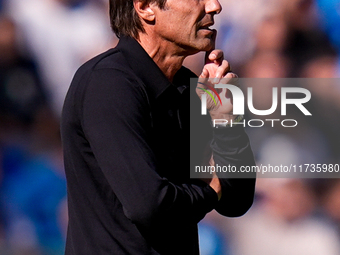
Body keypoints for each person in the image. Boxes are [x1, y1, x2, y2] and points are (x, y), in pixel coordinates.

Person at [61, 0, 256, 254]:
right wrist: (211, 189)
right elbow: (149, 204)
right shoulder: (108, 83)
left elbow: (236, 200)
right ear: (145, 7)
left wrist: (226, 120)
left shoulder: (190, 87)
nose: (215, 6)